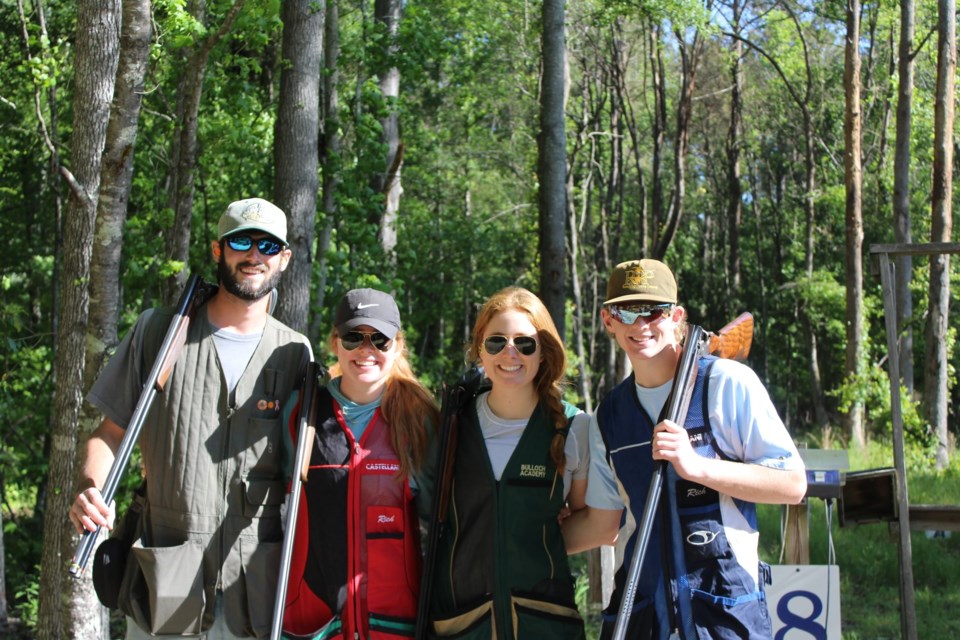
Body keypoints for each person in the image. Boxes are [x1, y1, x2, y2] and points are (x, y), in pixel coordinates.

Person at [69, 197, 313, 639]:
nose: (254, 255)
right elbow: (108, 434)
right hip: (165, 582)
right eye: (241, 241)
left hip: (256, 590)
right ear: (219, 250)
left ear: (284, 259)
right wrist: (90, 490)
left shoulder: (296, 353)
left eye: (268, 246)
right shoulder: (158, 334)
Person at [561, 259, 807, 639]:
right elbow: (602, 524)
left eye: (653, 312)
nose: (640, 326)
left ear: (676, 315)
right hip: (644, 615)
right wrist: (521, 545)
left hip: (723, 612)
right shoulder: (609, 414)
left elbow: (792, 484)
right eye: (626, 312)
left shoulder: (727, 383)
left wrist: (698, 467)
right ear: (608, 320)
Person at [422, 286, 588, 640]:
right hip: (461, 624)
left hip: (543, 623)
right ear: (479, 348)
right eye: (496, 342)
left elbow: (598, 523)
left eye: (525, 343)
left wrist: (527, 535)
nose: (510, 353)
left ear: (543, 351)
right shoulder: (449, 425)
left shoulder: (575, 427)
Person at [280, 288, 439, 639]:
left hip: (395, 625)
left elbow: (443, 524)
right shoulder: (300, 413)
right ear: (335, 342)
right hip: (314, 623)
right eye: (354, 337)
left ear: (397, 346)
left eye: (379, 340)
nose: (366, 351)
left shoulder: (419, 420)